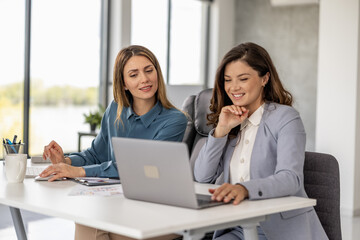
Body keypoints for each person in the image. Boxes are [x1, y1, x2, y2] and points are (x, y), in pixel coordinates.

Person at [41, 45, 187, 240]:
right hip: (119, 204)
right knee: (88, 222)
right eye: (134, 74)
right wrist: (65, 162)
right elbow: (95, 154)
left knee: (98, 228)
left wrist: (78, 172)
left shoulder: (174, 120)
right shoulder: (115, 110)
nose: (144, 79)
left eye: (149, 70)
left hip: (158, 210)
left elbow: (140, 168)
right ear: (124, 83)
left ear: (157, 74)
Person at [194, 42, 328, 240]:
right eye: (228, 80)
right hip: (237, 228)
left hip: (279, 230)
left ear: (264, 78)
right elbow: (202, 177)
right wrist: (221, 130)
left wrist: (243, 189)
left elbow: (291, 178)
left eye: (243, 79)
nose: (234, 87)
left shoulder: (286, 118)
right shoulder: (230, 121)